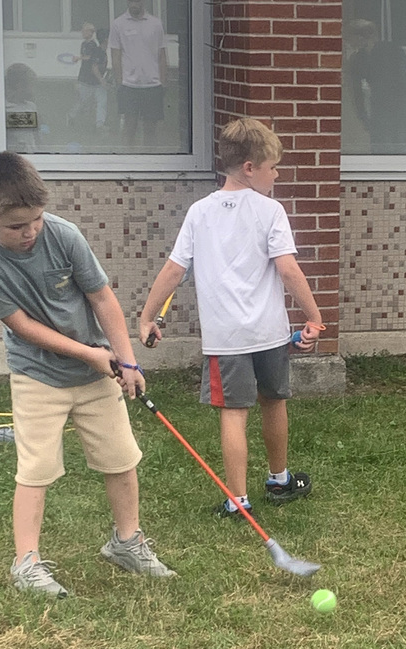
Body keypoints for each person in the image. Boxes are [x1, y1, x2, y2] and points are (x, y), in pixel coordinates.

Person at [0, 151, 175, 597]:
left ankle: (126, 542)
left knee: (121, 458)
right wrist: (89, 354)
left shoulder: (64, 235)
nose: (29, 232)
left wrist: (125, 358)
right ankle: (27, 563)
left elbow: (102, 299)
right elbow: (22, 327)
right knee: (35, 468)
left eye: (35, 219)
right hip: (36, 375)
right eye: (16, 226)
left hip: (96, 371)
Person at [139, 118, 323, 519]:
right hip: (269, 332)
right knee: (275, 402)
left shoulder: (198, 212)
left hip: (226, 338)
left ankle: (238, 500)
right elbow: (289, 269)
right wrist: (314, 316)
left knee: (234, 415)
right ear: (250, 168)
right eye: (273, 167)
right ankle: (279, 478)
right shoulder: (271, 211)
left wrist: (146, 316)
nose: (276, 175)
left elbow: (174, 269)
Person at [346, 19, 406, 153]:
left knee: (402, 144)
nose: (348, 42)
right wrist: (363, 117)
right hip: (379, 107)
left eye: (350, 38)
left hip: (402, 105)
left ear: (360, 37)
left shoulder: (392, 50)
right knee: (379, 144)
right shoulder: (358, 59)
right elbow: (356, 92)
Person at [109, 0, 167, 147]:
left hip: (152, 85)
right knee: (130, 127)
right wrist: (119, 81)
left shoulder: (156, 24)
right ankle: (128, 162)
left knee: (150, 129)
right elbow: (115, 55)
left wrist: (163, 82)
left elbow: (161, 55)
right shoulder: (118, 24)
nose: (133, 3)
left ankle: (150, 162)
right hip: (129, 85)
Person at [0, 63, 40, 154]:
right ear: (18, 85)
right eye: (30, 85)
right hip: (11, 159)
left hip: (32, 156)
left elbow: (36, 135)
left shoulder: (31, 107)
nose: (32, 90)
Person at [67, 23, 107, 131]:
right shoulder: (83, 44)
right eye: (82, 30)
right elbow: (85, 58)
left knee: (101, 100)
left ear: (91, 32)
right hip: (85, 78)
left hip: (94, 79)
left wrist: (78, 58)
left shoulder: (93, 45)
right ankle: (71, 116)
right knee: (82, 100)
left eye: (85, 31)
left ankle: (100, 123)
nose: (82, 33)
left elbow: (90, 58)